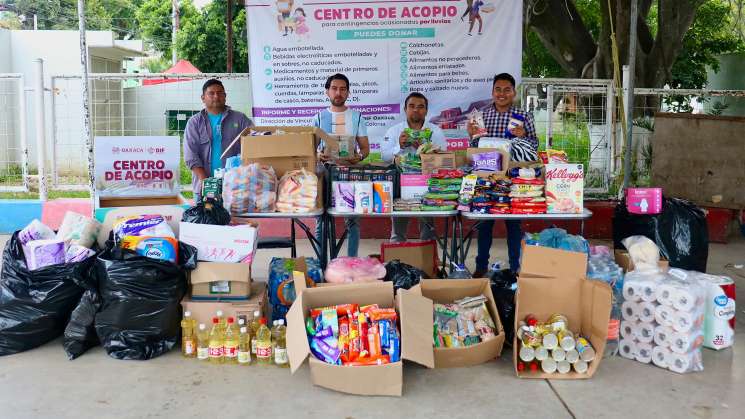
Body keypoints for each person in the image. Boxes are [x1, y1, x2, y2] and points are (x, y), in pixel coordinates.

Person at [467, 73, 538, 276]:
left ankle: (515, 267)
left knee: (514, 225)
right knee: (485, 224)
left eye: (507, 89)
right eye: (498, 89)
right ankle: (481, 267)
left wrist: (523, 136)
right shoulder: (481, 115)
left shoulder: (523, 116)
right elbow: (474, 146)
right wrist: (471, 134)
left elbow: (534, 146)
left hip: (513, 175)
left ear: (514, 92)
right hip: (488, 176)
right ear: (492, 92)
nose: (502, 93)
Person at [312, 73, 370, 257]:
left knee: (352, 221)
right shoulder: (319, 118)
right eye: (334, 89)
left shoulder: (357, 117)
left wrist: (358, 158)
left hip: (349, 172)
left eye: (343, 89)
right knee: (321, 219)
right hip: (325, 172)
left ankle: (352, 261)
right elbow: (311, 150)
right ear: (327, 92)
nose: (338, 92)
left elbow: (365, 149)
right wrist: (317, 155)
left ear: (348, 93)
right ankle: (322, 262)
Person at [381, 92, 447, 243]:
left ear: (426, 110)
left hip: (427, 184)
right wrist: (400, 146)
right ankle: (396, 258)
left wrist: (431, 150)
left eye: (420, 107)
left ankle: (428, 258)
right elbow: (384, 156)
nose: (416, 110)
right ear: (405, 109)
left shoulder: (435, 131)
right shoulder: (394, 131)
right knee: (398, 227)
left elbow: (445, 157)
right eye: (411, 106)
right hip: (401, 183)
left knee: (428, 228)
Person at [184, 79, 252, 201]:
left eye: (220, 93)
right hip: (204, 186)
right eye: (211, 93)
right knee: (205, 219)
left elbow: (254, 144)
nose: (216, 96)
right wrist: (208, 183)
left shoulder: (240, 119)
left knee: (235, 220)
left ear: (225, 97)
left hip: (235, 187)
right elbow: (190, 156)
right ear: (203, 98)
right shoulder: (194, 123)